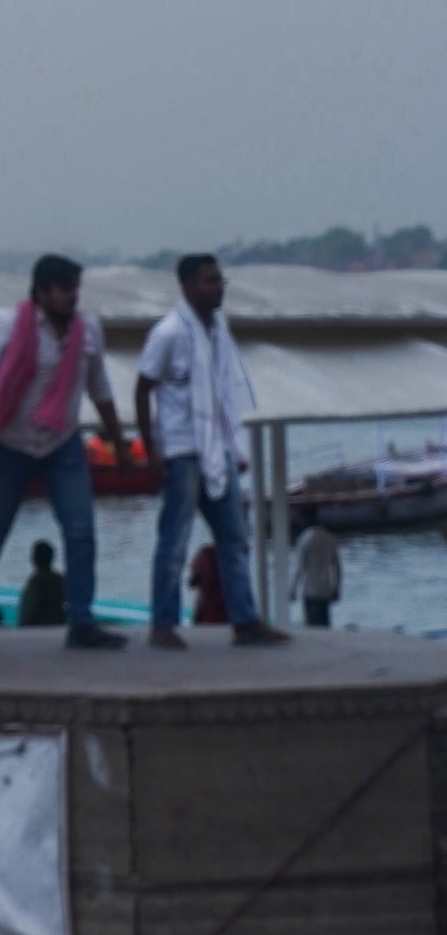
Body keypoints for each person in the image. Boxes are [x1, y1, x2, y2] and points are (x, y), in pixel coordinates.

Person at [0, 255, 131, 649]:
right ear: (42, 292)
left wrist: (119, 442)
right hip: (10, 445)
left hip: (61, 444)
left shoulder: (88, 332)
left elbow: (99, 388)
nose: (73, 297)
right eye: (65, 289)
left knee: (81, 531)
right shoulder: (8, 327)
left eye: (75, 289)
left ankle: (82, 621)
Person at [136, 255, 288, 649]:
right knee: (175, 540)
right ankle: (163, 625)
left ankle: (246, 621)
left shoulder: (219, 330)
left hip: (216, 448)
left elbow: (225, 390)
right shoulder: (168, 333)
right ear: (187, 286)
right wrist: (151, 450)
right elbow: (143, 388)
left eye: (221, 280)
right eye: (209, 281)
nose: (218, 287)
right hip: (181, 449)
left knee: (235, 536)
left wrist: (234, 445)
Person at [292, 522, 343, 627]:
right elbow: (337, 567)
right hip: (325, 589)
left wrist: (293, 589)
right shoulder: (329, 537)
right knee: (325, 624)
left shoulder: (305, 538)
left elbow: (300, 568)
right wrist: (336, 587)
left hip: (310, 589)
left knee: (312, 625)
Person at [16, 541, 67, 627]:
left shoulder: (36, 581)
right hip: (57, 626)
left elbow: (30, 610)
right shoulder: (59, 579)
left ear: (35, 558)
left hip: (39, 629)